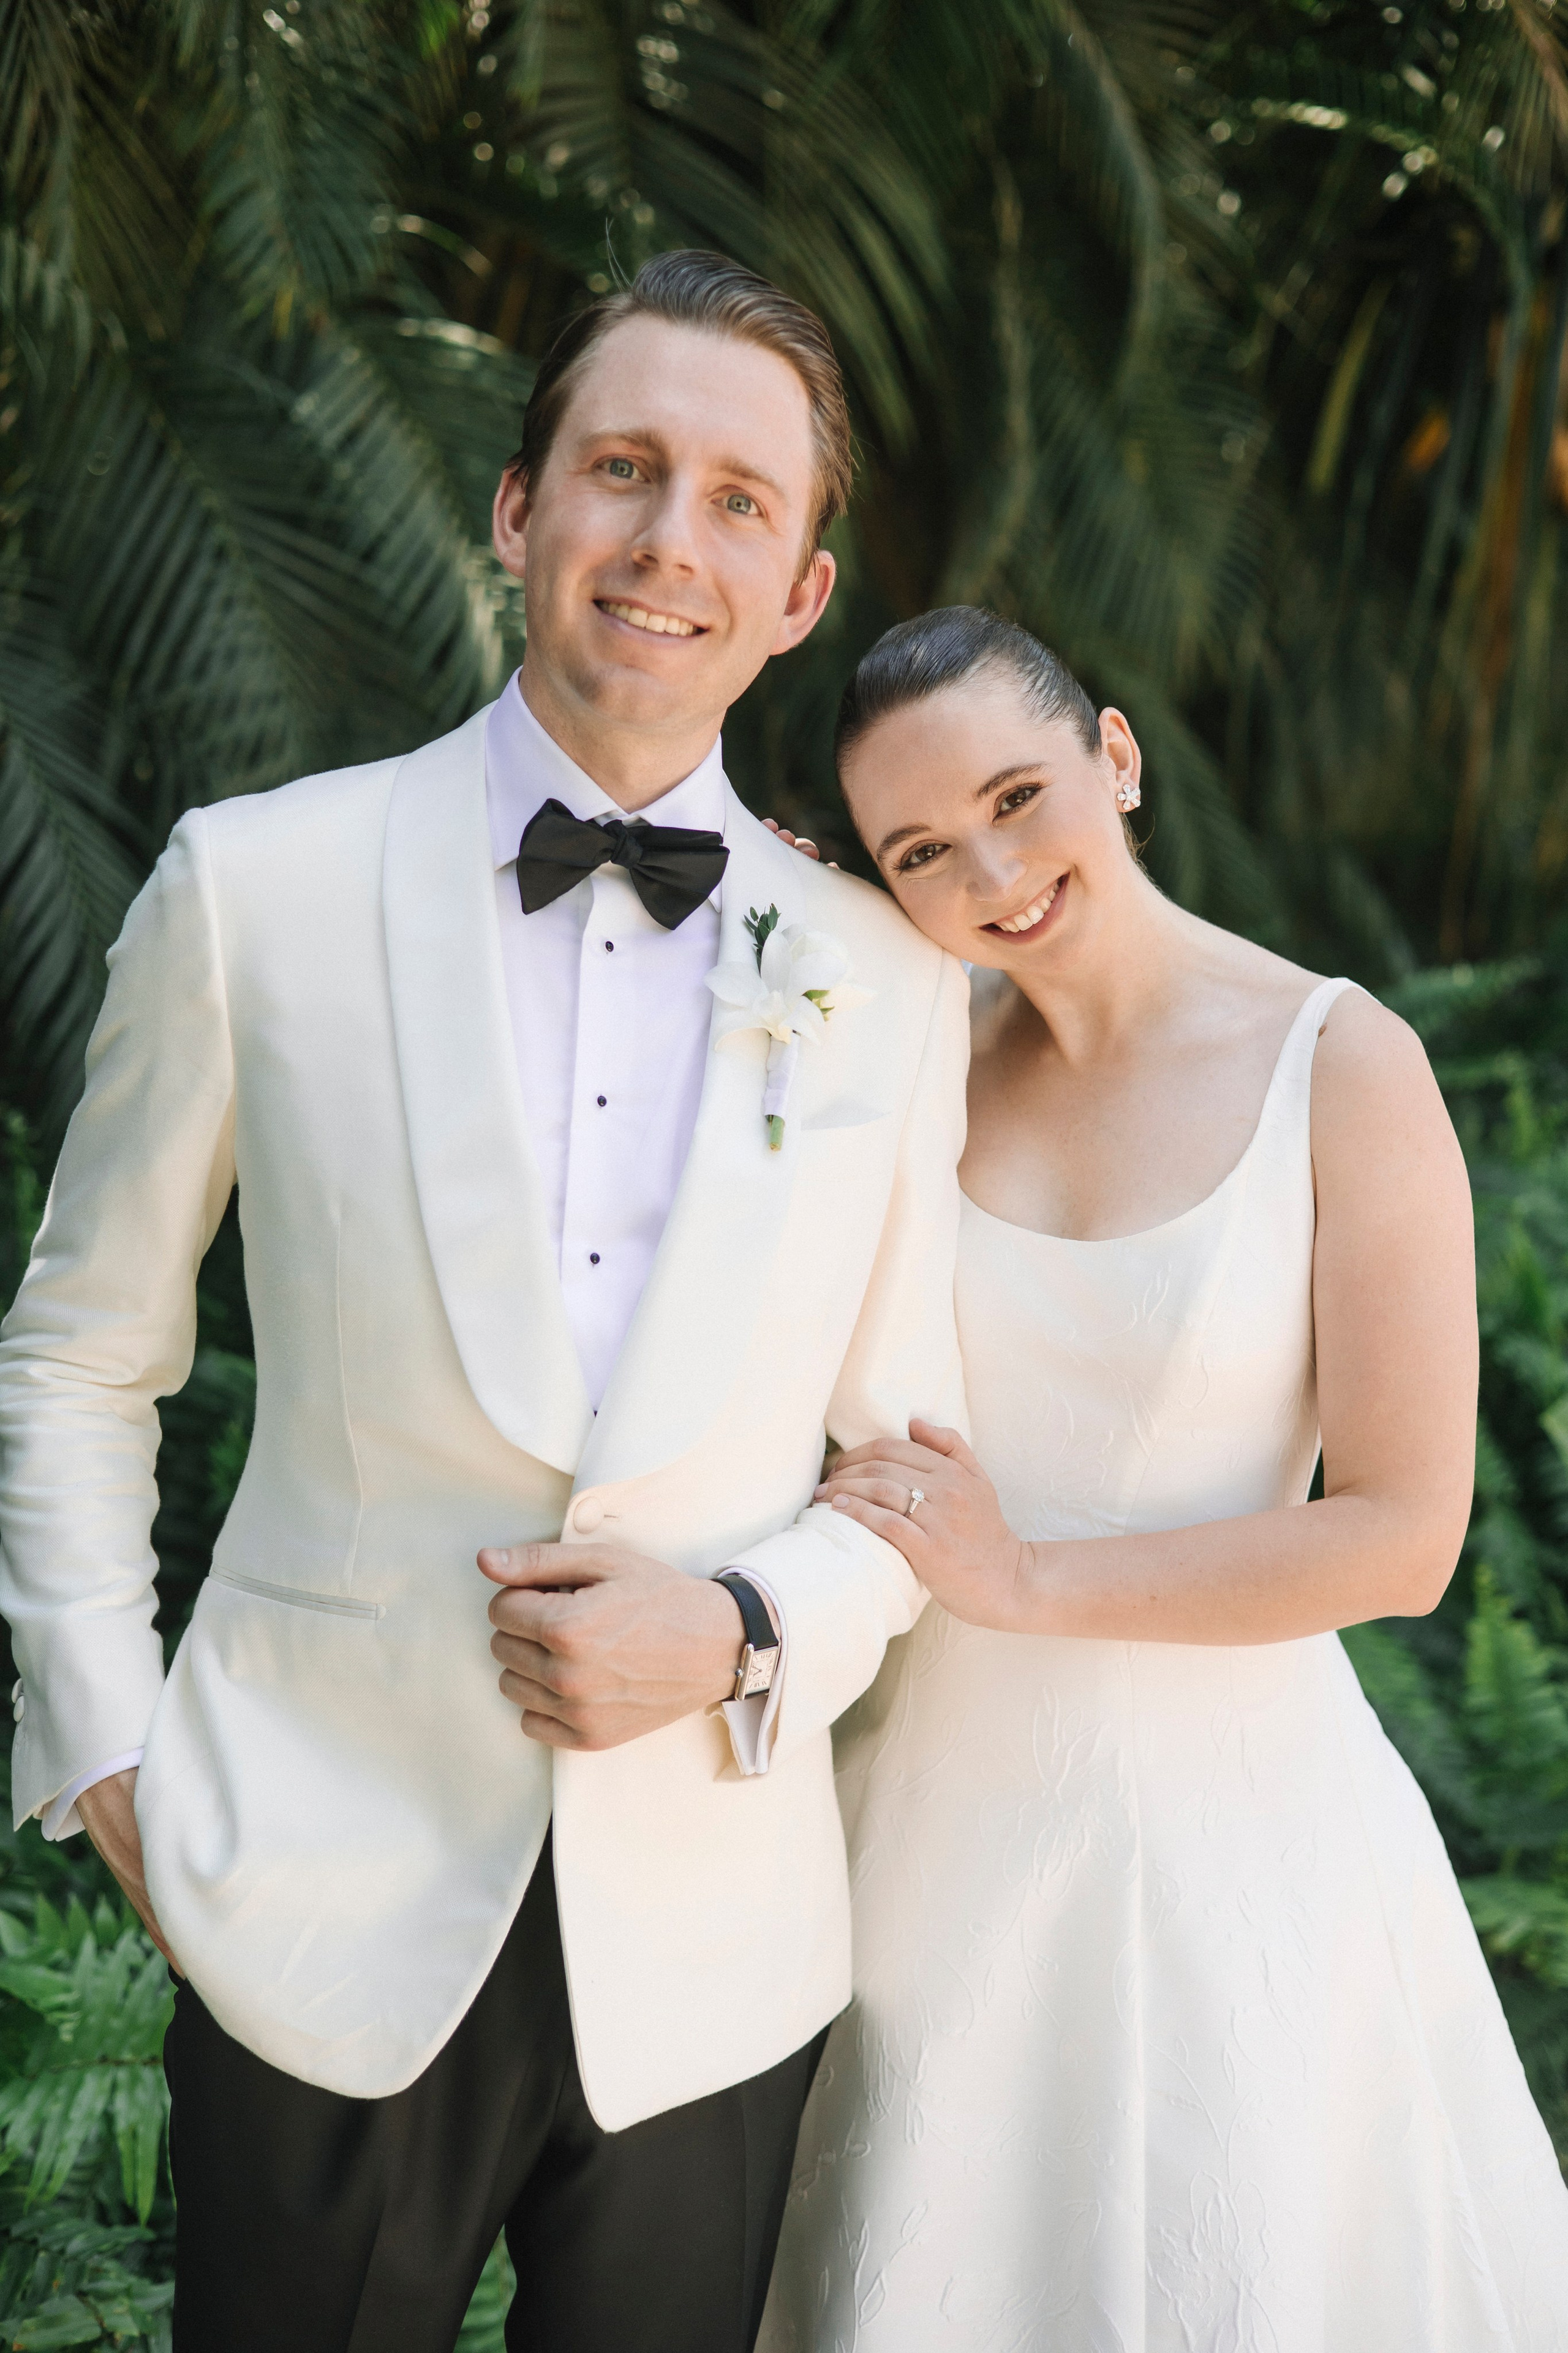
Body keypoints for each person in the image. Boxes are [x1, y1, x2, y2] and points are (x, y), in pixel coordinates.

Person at [0, 256, 972, 2353]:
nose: (666, 541)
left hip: (716, 1945)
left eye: (736, 499)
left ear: (802, 592)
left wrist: (733, 1624)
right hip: (308, 1891)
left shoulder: (888, 976)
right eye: (623, 469)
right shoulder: (250, 886)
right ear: (521, 509)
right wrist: (106, 1751)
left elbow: (912, 1464)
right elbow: (80, 1347)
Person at [761, 607, 1568, 2352]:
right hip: (922, 1833)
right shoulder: (911, 1066)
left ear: (1116, 758)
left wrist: (1033, 1577)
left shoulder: (1339, 1064)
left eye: (1019, 796)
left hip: (1233, 1835)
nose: (990, 868)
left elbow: (1409, 1534)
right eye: (919, 850)